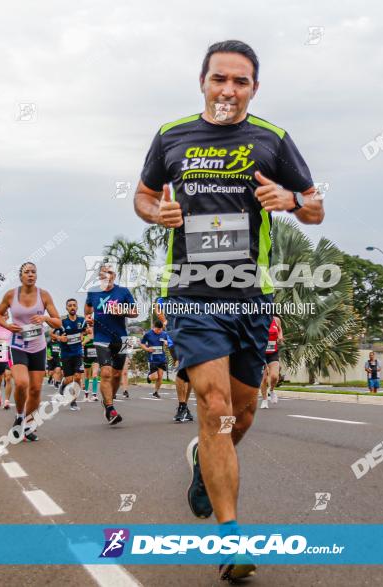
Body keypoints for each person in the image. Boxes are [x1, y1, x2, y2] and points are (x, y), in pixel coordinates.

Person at [133, 40, 324, 581]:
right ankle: (231, 535)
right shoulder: (172, 137)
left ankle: (202, 462)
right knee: (214, 404)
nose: (229, 90)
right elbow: (143, 195)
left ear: (254, 89)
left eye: (241, 82)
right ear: (203, 82)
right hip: (193, 297)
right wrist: (157, 212)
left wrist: (291, 201)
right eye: (220, 79)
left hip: (250, 299)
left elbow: (316, 206)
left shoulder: (273, 139)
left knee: (241, 413)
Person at [0, 262, 62, 442]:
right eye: (27, 272)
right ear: (21, 276)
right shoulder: (11, 295)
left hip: (38, 347)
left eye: (33, 272)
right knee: (22, 383)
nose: (31, 274)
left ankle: (29, 425)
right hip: (18, 345)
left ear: (36, 275)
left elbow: (58, 322)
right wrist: (8, 325)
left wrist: (45, 318)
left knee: (35, 389)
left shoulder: (44, 295)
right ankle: (18, 416)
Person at [84, 264, 138, 425]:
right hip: (101, 337)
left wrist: (121, 310)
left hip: (122, 338)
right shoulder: (93, 292)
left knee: (116, 374)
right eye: (103, 273)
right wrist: (88, 319)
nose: (106, 275)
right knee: (106, 373)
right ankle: (110, 407)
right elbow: (87, 311)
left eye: (109, 273)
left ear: (114, 276)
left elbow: (135, 312)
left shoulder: (123, 292)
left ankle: (109, 399)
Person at [157, 298, 194, 422]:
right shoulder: (166, 296)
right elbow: (157, 308)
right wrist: (165, 321)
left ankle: (184, 406)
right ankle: (182, 405)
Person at [58, 298, 88, 411]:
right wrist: (60, 337)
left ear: (77, 307)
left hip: (78, 352)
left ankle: (74, 401)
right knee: (69, 379)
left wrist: (85, 333)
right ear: (66, 308)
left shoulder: (81, 319)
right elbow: (52, 334)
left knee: (78, 377)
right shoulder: (62, 321)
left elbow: (85, 330)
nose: (72, 307)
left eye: (74, 305)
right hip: (66, 353)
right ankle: (63, 385)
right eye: (70, 305)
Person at [141, 320, 172, 399]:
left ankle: (156, 392)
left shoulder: (164, 334)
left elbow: (170, 343)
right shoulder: (148, 334)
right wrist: (147, 349)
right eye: (158, 329)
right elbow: (142, 343)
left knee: (160, 376)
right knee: (155, 377)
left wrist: (166, 342)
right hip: (153, 358)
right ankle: (149, 377)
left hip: (162, 358)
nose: (160, 331)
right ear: (154, 327)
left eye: (161, 329)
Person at [259, 315, 283, 409]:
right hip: (260, 353)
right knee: (264, 378)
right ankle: (265, 400)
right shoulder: (256, 320)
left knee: (274, 376)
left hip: (273, 352)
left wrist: (280, 337)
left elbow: (280, 329)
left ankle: (272, 391)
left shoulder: (276, 320)